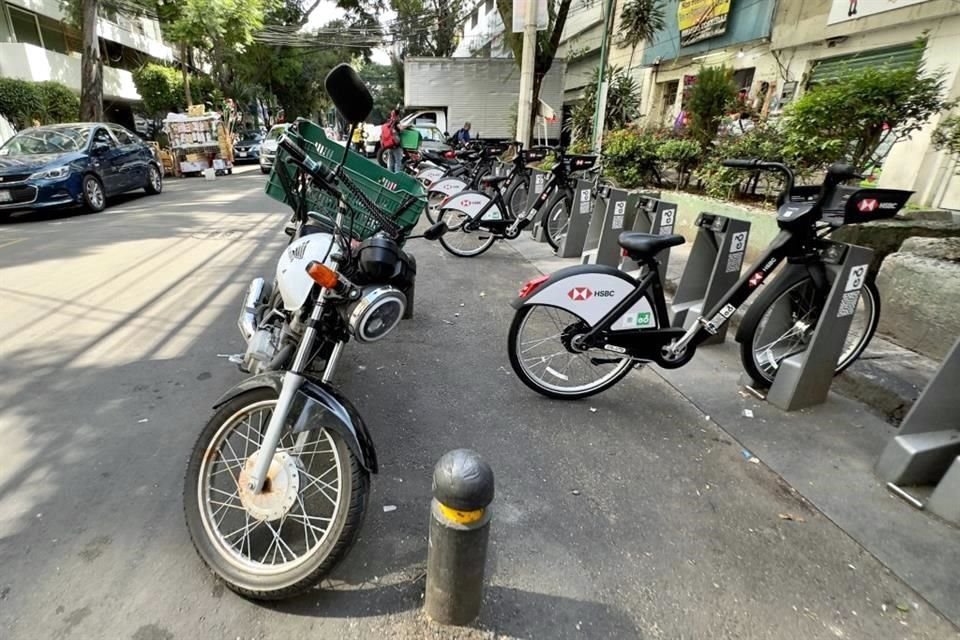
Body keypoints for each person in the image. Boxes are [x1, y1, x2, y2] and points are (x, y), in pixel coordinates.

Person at [382, 107, 405, 173]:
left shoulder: (389, 122)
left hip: (389, 145)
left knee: (390, 162)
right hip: (396, 145)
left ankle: (390, 175)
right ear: (397, 115)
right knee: (398, 162)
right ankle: (397, 177)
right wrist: (405, 127)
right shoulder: (396, 122)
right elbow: (401, 129)